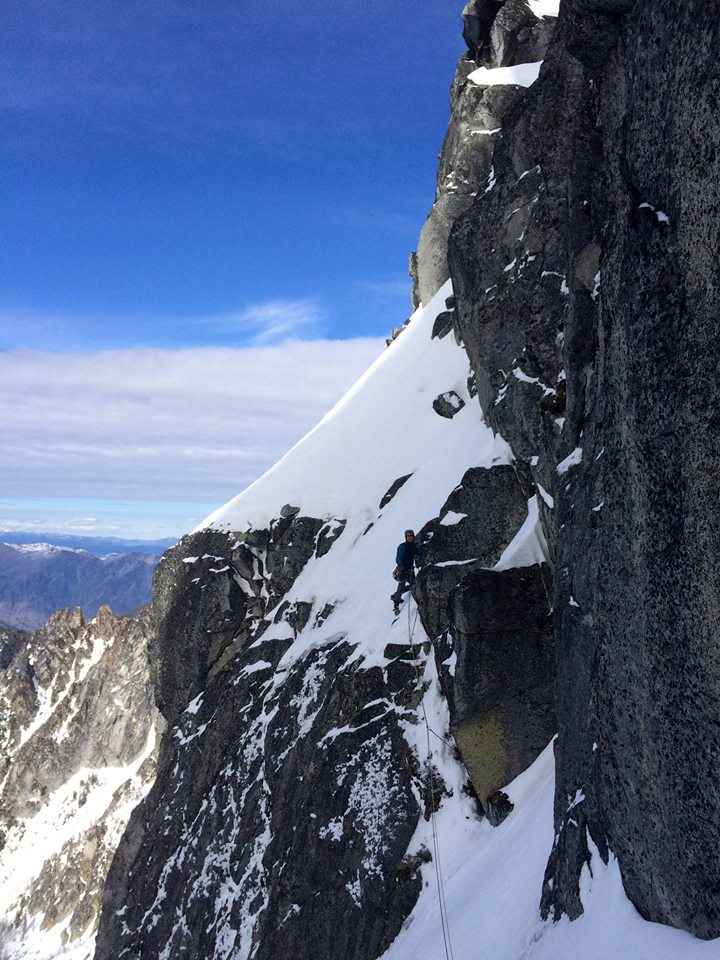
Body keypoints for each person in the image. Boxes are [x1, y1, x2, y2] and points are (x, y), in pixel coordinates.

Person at [391, 529, 423, 615]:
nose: (410, 537)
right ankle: (396, 604)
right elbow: (398, 559)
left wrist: (425, 550)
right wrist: (402, 568)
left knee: (413, 584)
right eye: (408, 536)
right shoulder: (402, 547)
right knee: (402, 586)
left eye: (411, 536)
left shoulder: (413, 546)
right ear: (406, 537)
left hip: (409, 570)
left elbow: (419, 552)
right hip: (402, 570)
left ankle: (396, 595)